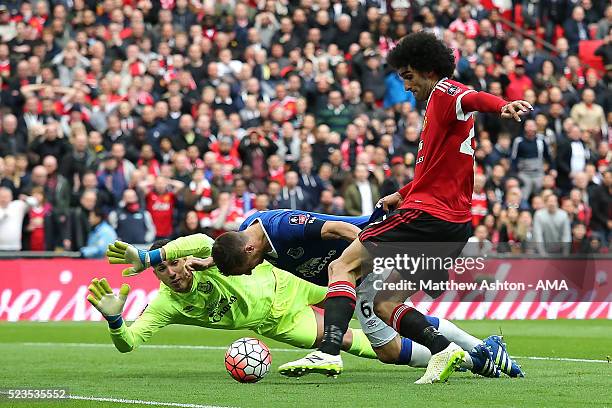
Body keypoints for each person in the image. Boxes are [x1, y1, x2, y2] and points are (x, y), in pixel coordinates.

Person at [276, 32, 532, 384]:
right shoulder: (441, 116)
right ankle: (445, 351)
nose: (407, 86)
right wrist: (403, 191)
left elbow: (471, 97)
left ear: (428, 70)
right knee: (386, 303)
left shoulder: (445, 93)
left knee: (342, 265)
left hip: (427, 215)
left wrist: (501, 104)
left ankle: (330, 352)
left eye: (409, 77)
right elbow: (435, 169)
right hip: (453, 225)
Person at [211, 208, 513, 377]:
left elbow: (339, 229)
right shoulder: (246, 234)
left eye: (246, 267)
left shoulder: (284, 229)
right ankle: (481, 351)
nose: (250, 271)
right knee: (389, 345)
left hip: (368, 254)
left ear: (250, 249)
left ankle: (476, 357)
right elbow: (233, 248)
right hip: (354, 270)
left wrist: (374, 257)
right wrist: (211, 261)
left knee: (389, 342)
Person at [89, 235, 377, 361]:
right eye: (161, 269)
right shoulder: (166, 305)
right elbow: (129, 343)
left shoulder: (203, 257)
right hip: (276, 322)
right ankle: (422, 354)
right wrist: (115, 321)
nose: (171, 272)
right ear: (156, 276)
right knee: (346, 340)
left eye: (173, 262)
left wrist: (151, 256)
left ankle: (419, 327)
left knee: (371, 304)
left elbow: (202, 240)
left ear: (182, 257)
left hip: (288, 283)